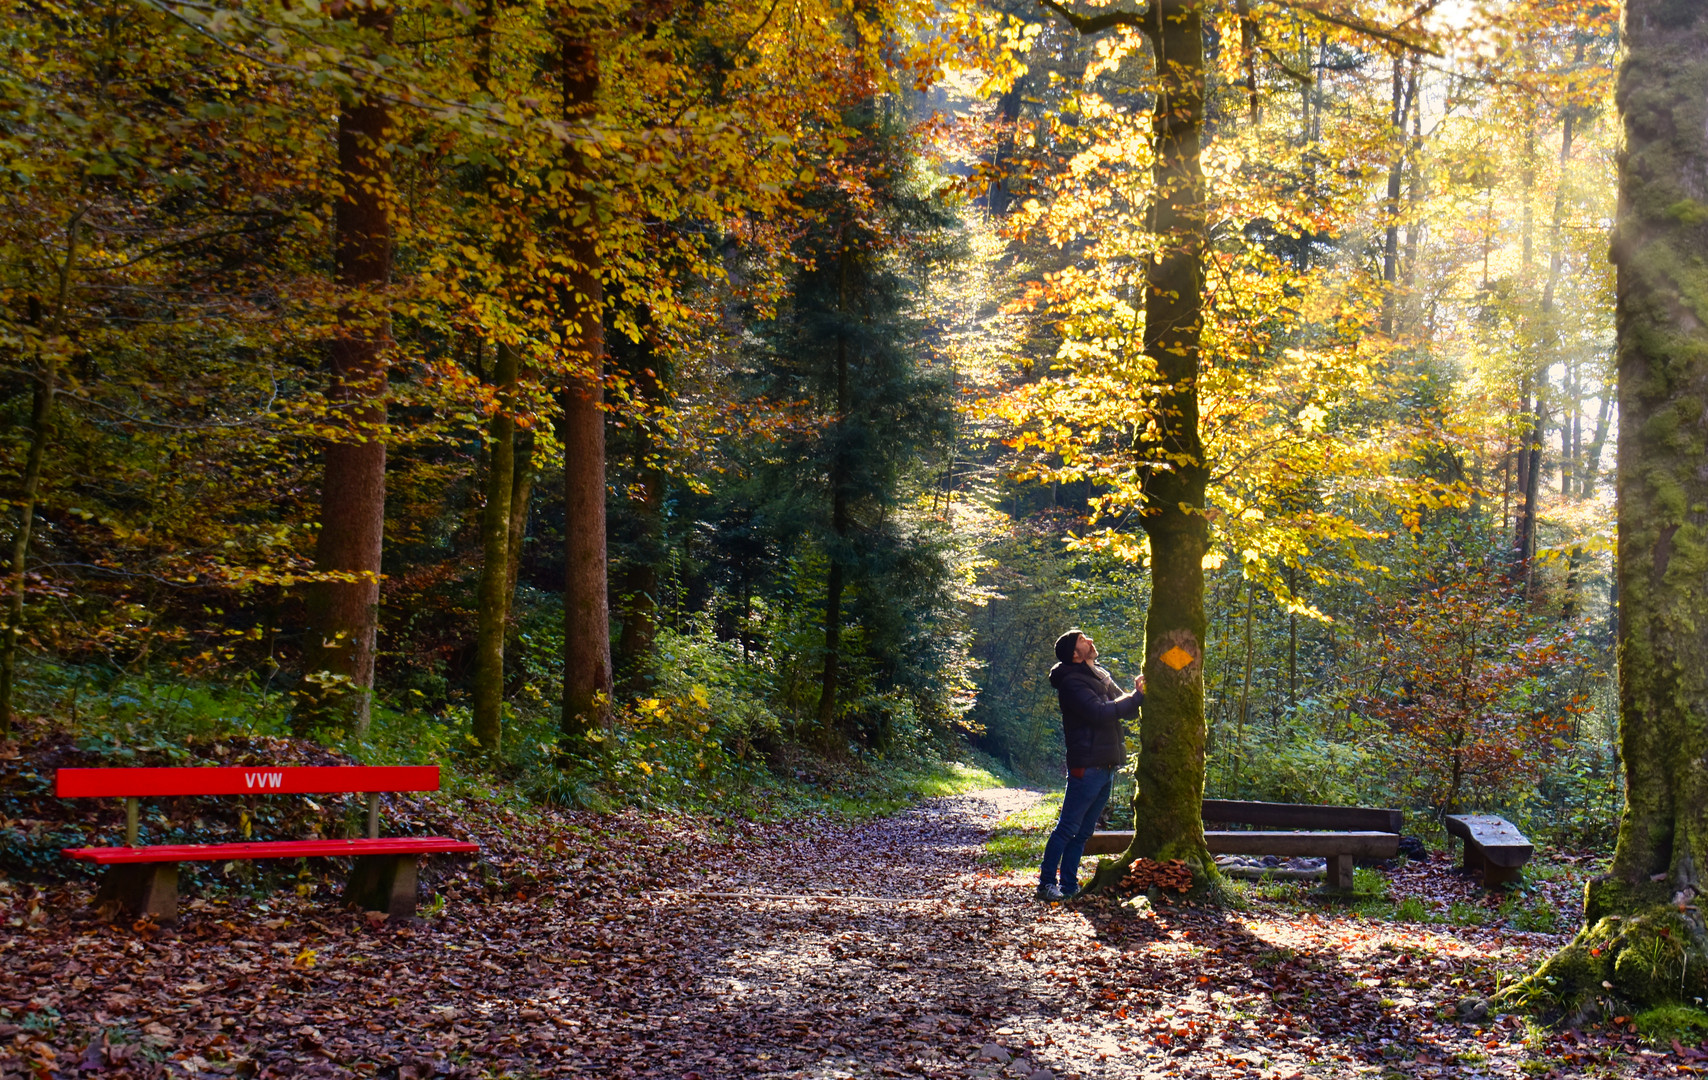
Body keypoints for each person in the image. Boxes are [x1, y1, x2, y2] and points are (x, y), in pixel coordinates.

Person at [1037, 629, 1143, 901]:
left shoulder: (1097, 676)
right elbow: (1100, 712)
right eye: (1084, 640)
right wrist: (1135, 697)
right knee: (1067, 828)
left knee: (1083, 831)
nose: (1091, 641)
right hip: (1087, 765)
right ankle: (1047, 884)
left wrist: (1138, 693)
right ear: (1075, 654)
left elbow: (1123, 704)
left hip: (1105, 764)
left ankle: (1069, 886)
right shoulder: (1072, 682)